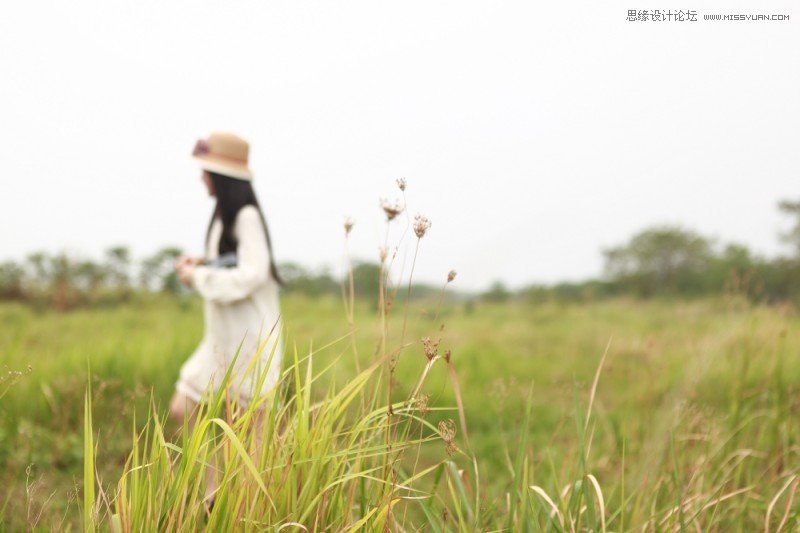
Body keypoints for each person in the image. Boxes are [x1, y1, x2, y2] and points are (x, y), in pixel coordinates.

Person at [169, 132, 283, 430]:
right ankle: (210, 480)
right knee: (184, 408)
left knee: (247, 436)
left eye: (205, 171)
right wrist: (203, 261)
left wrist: (197, 276)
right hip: (223, 338)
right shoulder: (224, 216)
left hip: (248, 342)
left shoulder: (246, 216)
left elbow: (252, 273)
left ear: (220, 177)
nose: (201, 178)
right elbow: (232, 260)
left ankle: (223, 480)